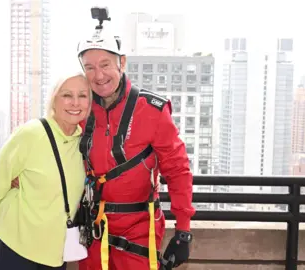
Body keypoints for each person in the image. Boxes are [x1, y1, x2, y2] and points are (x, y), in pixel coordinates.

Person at [74, 7, 195, 270]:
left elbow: (177, 170)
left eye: (105, 64)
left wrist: (183, 229)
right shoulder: (79, 107)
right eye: (90, 68)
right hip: (94, 228)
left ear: (122, 62)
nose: (98, 75)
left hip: (140, 229)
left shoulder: (151, 110)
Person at [0, 72, 92, 270]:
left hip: (55, 252)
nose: (75, 103)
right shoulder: (31, 134)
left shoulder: (84, 143)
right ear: (53, 100)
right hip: (16, 245)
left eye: (82, 96)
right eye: (66, 95)